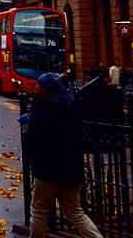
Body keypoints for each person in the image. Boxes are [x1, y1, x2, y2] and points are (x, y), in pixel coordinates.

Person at [25, 73, 103, 238]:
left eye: (38, 86)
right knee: (75, 211)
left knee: (39, 211)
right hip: (72, 169)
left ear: (45, 89)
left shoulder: (42, 110)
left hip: (47, 169)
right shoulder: (71, 107)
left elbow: (34, 140)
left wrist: (33, 160)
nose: (35, 88)